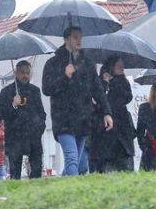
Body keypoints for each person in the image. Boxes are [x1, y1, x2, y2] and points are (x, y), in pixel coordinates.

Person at [42, 25, 112, 175]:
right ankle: (72, 193)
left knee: (78, 163)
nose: (79, 40)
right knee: (72, 157)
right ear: (66, 39)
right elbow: (47, 89)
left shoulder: (87, 63)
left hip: (83, 118)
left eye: (80, 37)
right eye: (75, 37)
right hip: (64, 119)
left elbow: (97, 89)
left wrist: (107, 112)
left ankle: (62, 189)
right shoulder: (53, 64)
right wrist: (64, 77)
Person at [0, 59, 47, 179]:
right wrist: (13, 105)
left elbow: (42, 113)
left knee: (36, 170)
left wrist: (39, 128)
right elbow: (1, 114)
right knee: (15, 173)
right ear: (16, 73)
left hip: (33, 136)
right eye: (22, 72)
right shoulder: (6, 92)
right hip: (15, 136)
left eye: (27, 72)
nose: (25, 75)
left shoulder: (35, 91)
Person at [89, 55, 136, 173]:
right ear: (111, 66)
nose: (122, 68)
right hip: (105, 131)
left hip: (122, 130)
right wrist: (105, 83)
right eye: (119, 65)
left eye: (122, 65)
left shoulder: (123, 83)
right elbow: (97, 101)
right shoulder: (100, 82)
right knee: (106, 167)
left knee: (125, 166)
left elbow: (126, 97)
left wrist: (114, 83)